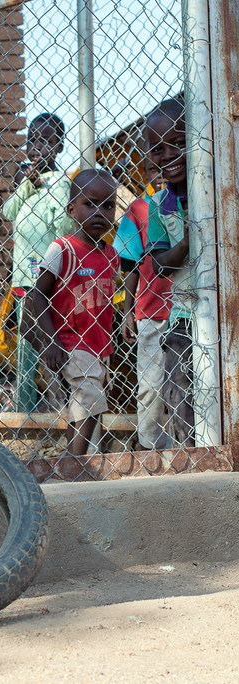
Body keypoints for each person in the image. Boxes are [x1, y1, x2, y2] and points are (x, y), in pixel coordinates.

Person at [32, 169, 121, 457]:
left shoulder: (112, 256)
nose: (99, 212)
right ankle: (77, 463)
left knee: (82, 403)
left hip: (99, 344)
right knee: (91, 400)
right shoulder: (63, 250)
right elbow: (38, 295)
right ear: (72, 209)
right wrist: (51, 342)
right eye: (90, 204)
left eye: (107, 206)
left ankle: (70, 460)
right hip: (71, 341)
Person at [2, 113, 73, 412]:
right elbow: (8, 212)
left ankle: (63, 409)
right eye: (32, 140)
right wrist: (26, 187)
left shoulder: (59, 182)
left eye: (45, 141)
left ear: (58, 147)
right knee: (25, 350)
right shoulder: (26, 181)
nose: (36, 147)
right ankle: (25, 410)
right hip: (22, 278)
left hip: (46, 282)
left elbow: (64, 229)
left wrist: (51, 200)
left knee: (49, 345)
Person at [113, 159, 172, 450]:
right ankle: (150, 446)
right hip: (152, 310)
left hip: (191, 308)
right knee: (152, 387)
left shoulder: (196, 202)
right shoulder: (139, 209)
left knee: (190, 384)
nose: (160, 174)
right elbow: (131, 265)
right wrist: (127, 312)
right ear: (145, 173)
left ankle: (194, 445)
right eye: (153, 169)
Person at [146, 96, 194, 448]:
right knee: (177, 389)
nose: (168, 156)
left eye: (179, 143)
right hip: (184, 314)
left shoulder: (219, 185)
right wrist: (186, 245)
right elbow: (159, 263)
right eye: (159, 148)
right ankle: (191, 453)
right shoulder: (160, 205)